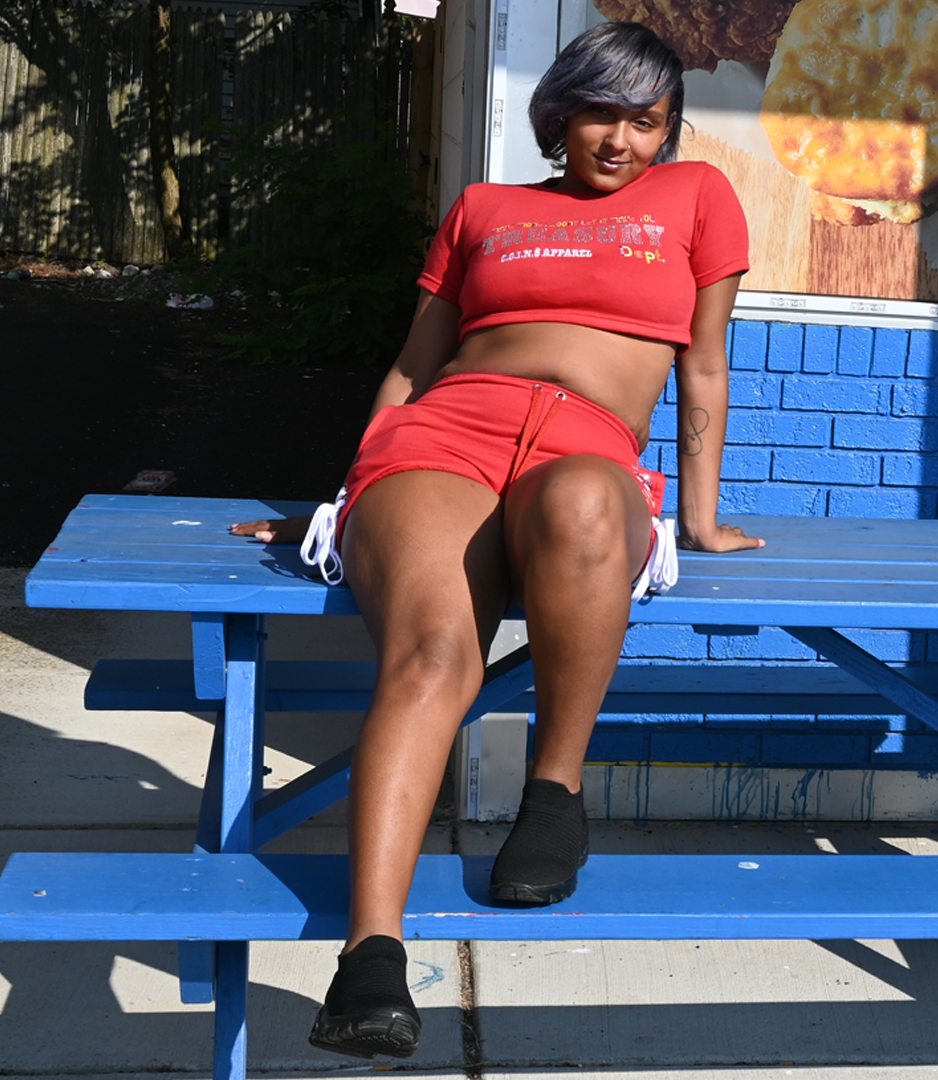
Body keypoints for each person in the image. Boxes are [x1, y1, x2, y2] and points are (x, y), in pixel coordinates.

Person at [231, 20, 763, 1062]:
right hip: (445, 438)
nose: (620, 140)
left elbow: (703, 365)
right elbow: (411, 366)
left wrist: (697, 515)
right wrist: (341, 503)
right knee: (432, 654)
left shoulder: (699, 199)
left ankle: (553, 793)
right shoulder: (486, 209)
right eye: (601, 114)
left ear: (670, 130)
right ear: (560, 115)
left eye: (646, 121)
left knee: (581, 506)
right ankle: (370, 959)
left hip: (586, 448)